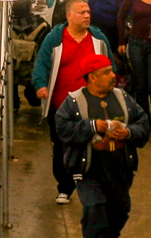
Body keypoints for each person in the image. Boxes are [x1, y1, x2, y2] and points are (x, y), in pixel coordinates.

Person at [56, 53, 150, 237]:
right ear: (92, 77)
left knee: (119, 214)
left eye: (112, 71)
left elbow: (143, 124)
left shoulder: (123, 98)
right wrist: (91, 126)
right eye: (107, 72)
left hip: (120, 171)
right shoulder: (74, 102)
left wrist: (129, 133)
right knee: (94, 210)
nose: (113, 76)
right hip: (89, 172)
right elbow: (63, 129)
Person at [40, 0, 122, 203]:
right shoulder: (55, 39)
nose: (87, 15)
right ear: (69, 15)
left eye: (88, 12)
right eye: (82, 12)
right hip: (61, 105)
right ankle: (64, 188)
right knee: (61, 146)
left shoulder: (99, 39)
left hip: (92, 105)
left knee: (95, 145)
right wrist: (40, 84)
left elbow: (111, 66)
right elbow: (42, 63)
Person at [117, 0, 151, 113]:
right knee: (140, 85)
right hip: (136, 43)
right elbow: (121, 17)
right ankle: (144, 120)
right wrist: (121, 41)